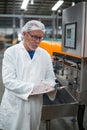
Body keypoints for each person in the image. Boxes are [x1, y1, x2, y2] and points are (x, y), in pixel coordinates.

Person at [0, 20, 56, 130]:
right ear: (24, 34)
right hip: (16, 104)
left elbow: (50, 77)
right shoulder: (11, 52)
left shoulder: (44, 54)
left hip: (35, 104)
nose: (37, 41)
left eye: (40, 38)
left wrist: (49, 86)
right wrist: (34, 88)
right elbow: (8, 81)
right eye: (34, 37)